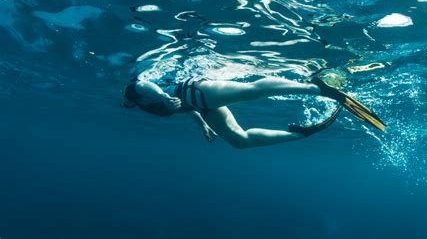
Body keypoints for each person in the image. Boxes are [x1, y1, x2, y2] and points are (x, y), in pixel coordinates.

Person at [121, 74, 385, 149]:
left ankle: (318, 88)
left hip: (192, 90)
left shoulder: (136, 94)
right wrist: (202, 124)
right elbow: (181, 111)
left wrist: (165, 96)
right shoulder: (148, 111)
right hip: (198, 107)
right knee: (239, 141)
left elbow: (143, 84)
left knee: (250, 92)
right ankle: (301, 134)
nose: (128, 105)